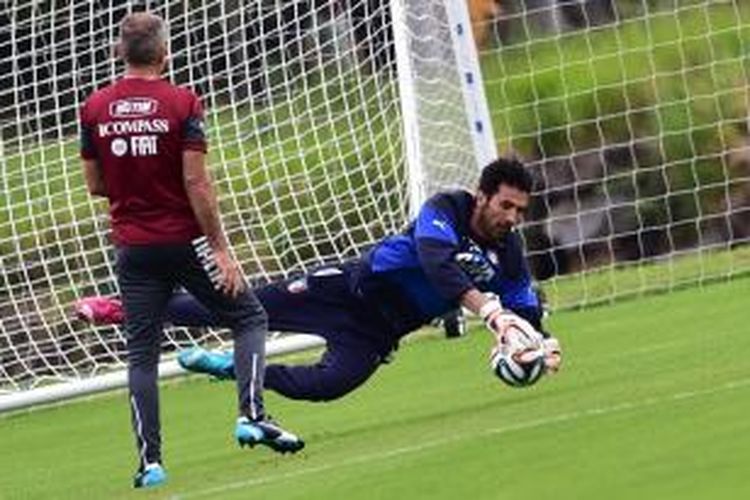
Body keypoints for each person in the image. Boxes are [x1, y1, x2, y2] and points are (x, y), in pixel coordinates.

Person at [77, 157, 562, 407]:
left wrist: (539, 341)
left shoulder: (509, 250)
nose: (513, 217)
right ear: (482, 197)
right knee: (229, 307)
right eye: (506, 206)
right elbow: (438, 264)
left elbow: (524, 300)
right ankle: (120, 307)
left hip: (378, 330)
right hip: (346, 289)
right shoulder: (446, 209)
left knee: (327, 387)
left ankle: (233, 370)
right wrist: (491, 313)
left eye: (521, 210)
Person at [78, 12, 302, 489]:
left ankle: (150, 464)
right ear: (164, 54)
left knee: (141, 355)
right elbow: (196, 181)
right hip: (183, 239)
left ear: (120, 53)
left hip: (133, 248)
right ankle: (252, 414)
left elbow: (95, 184)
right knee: (249, 317)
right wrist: (220, 248)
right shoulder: (182, 102)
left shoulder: (94, 107)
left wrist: (132, 183)